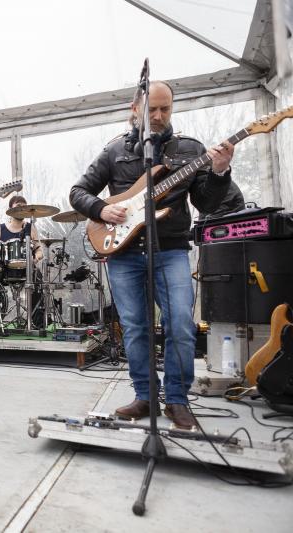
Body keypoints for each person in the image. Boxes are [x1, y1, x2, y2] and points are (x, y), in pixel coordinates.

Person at [69, 80, 234, 429]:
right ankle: (145, 396)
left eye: (165, 109)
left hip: (171, 248)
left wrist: (219, 172)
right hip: (124, 252)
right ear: (135, 110)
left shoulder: (190, 149)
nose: (158, 116)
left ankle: (176, 400)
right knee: (134, 328)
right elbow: (78, 191)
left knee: (181, 326)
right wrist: (101, 210)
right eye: (152, 109)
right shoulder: (114, 151)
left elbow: (206, 202)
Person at [0, 195, 44, 264]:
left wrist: (35, 258)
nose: (22, 209)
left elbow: (39, 251)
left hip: (27, 271)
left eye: (24, 207)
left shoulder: (30, 228)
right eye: (18, 206)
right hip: (4, 272)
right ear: (9, 209)